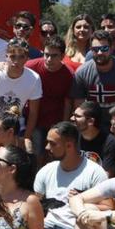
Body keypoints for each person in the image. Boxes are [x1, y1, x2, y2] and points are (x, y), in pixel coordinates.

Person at [35, 122, 108, 229]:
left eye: (52, 143)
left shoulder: (95, 172)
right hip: (47, 226)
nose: (47, 147)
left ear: (69, 145)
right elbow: (36, 202)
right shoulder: (46, 170)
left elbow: (109, 208)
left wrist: (82, 199)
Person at [69, 29, 115, 132]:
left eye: (104, 48)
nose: (99, 52)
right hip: (92, 127)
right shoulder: (82, 72)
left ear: (111, 48)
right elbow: (79, 107)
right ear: (91, 50)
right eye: (95, 49)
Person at [0, 37, 42, 148]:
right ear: (6, 56)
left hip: (16, 127)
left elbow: (33, 112)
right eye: (12, 56)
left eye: (21, 57)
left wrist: (26, 137)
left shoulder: (34, 78)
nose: (16, 61)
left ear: (27, 58)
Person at [25, 35, 75, 164]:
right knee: (36, 154)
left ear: (62, 56)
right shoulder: (31, 66)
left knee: (54, 155)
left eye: (54, 56)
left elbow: (68, 102)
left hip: (55, 121)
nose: (49, 59)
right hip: (33, 120)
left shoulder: (68, 74)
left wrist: (63, 126)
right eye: (46, 54)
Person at [72, 100, 115, 175]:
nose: (72, 118)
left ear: (90, 121)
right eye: (73, 115)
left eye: (77, 116)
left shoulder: (110, 142)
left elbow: (107, 176)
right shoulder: (73, 137)